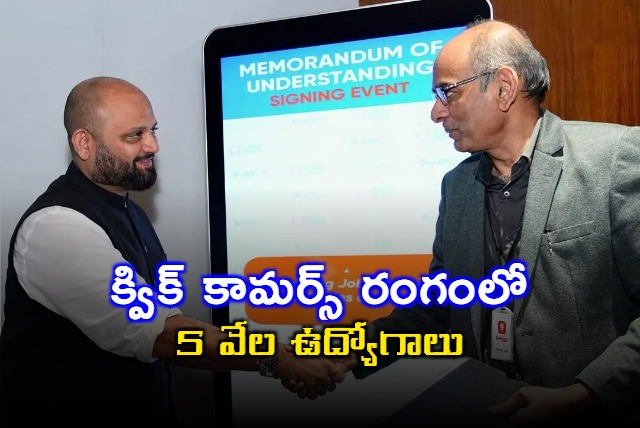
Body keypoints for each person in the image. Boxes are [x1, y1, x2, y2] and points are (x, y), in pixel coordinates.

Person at [287, 18, 640, 424]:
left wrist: (584, 395)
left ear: (504, 87)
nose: (436, 112)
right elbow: (438, 308)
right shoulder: (457, 186)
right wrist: (343, 350)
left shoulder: (615, 159)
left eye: (447, 92)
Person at [0, 76, 343, 426]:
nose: (153, 145)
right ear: (84, 143)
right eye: (134, 135)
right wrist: (278, 361)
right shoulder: (56, 227)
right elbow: (160, 334)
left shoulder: (130, 212)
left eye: (153, 130)